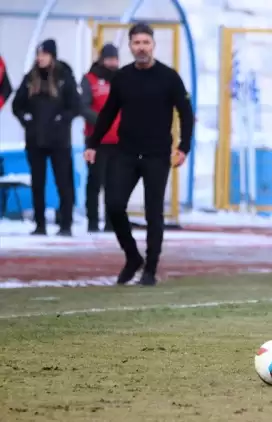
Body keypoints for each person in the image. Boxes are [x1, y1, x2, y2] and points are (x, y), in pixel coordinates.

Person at [83, 23, 194, 286]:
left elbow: (186, 113)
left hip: (156, 154)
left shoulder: (169, 77)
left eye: (145, 42)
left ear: (153, 45)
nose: (141, 47)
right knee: (113, 206)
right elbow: (108, 112)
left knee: (153, 213)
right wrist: (93, 143)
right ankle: (133, 257)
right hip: (127, 152)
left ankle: (150, 269)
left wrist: (184, 147)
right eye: (136, 43)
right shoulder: (122, 77)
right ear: (130, 46)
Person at [12, 39, 79, 236]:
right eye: (38, 54)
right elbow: (18, 105)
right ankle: (40, 223)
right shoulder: (30, 78)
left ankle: (65, 223)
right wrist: (27, 120)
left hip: (59, 140)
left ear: (52, 56)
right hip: (35, 139)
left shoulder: (64, 77)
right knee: (38, 182)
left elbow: (74, 105)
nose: (40, 58)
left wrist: (62, 120)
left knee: (63, 182)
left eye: (44, 54)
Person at [81, 43, 120, 233]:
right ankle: (93, 221)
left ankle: (111, 223)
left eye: (115, 59)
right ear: (102, 59)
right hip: (96, 140)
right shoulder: (90, 79)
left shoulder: (123, 79)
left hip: (118, 140)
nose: (112, 62)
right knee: (95, 181)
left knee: (114, 183)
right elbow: (83, 106)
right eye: (109, 59)